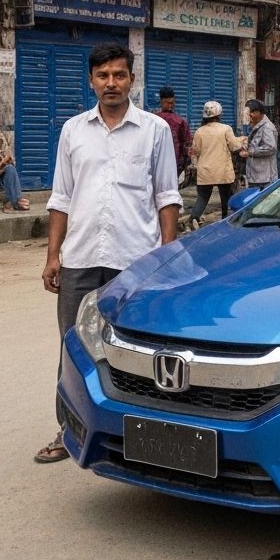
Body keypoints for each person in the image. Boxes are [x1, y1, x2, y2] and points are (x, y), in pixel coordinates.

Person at [36, 43, 182, 463]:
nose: (111, 83)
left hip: (135, 261)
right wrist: (53, 255)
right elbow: (61, 198)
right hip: (81, 257)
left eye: (119, 75)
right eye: (103, 76)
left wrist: (167, 255)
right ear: (91, 80)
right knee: (73, 346)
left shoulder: (154, 130)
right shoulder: (73, 131)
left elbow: (166, 195)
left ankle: (144, 433)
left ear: (132, 79)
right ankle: (69, 428)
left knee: (136, 349)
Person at [188, 101, 243, 230]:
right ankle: (226, 221)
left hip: (205, 171)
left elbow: (195, 151)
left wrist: (195, 165)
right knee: (226, 198)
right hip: (223, 171)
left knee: (202, 198)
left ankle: (193, 219)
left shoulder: (199, 131)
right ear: (219, 114)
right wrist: (241, 142)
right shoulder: (225, 129)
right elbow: (235, 147)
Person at [152, 86, 192, 176]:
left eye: (172, 103)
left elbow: (187, 143)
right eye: (167, 103)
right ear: (161, 102)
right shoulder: (152, 119)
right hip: (157, 161)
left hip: (174, 162)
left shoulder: (180, 121)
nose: (170, 106)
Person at [239, 99, 278, 190]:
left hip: (264, 178)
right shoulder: (257, 125)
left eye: (253, 112)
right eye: (249, 112)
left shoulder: (267, 127)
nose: (250, 115)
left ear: (260, 113)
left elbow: (270, 148)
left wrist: (249, 152)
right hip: (257, 176)